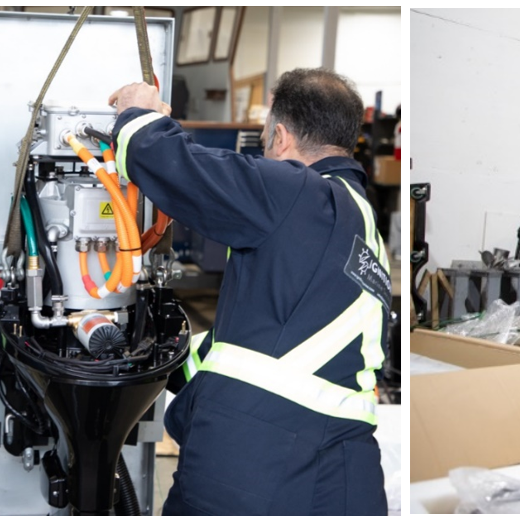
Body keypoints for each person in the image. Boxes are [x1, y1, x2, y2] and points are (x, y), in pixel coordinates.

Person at [106, 68, 391, 515]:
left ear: (280, 138)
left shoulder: (298, 191)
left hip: (260, 461)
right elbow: (274, 341)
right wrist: (166, 357)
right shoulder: (363, 229)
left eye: (262, 144)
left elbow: (178, 166)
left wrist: (137, 115)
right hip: (344, 473)